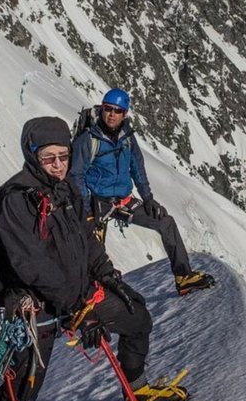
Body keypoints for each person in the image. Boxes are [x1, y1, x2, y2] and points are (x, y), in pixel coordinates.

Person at [0, 116, 188, 401]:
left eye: (63, 157)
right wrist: (78, 309)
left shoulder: (67, 192)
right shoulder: (15, 202)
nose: (58, 165)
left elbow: (87, 240)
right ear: (32, 156)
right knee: (26, 382)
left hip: (80, 296)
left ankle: (137, 393)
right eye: (49, 159)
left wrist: (107, 275)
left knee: (136, 316)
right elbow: (32, 266)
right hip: (37, 306)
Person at [69, 88, 215, 296]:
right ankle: (89, 295)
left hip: (123, 200)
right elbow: (76, 175)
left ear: (125, 114)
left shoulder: (127, 137)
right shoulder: (89, 139)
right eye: (108, 109)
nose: (111, 114)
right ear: (102, 109)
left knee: (165, 222)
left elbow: (137, 167)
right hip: (97, 202)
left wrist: (148, 198)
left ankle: (184, 277)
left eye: (117, 111)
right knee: (93, 250)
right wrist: (87, 211)